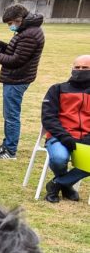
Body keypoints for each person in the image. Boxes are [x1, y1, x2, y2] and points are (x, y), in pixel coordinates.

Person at [0, 4, 46, 159]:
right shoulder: (26, 30)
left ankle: (10, 150)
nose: (10, 27)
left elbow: (16, 60)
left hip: (18, 78)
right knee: (9, 114)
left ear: (19, 20)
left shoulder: (30, 34)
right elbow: (17, 51)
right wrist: (1, 46)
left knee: (11, 115)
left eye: (10, 24)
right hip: (16, 77)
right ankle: (6, 144)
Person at [41, 54, 90, 202]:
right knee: (59, 159)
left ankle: (57, 184)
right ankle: (67, 186)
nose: (80, 70)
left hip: (86, 139)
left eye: (85, 68)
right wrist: (64, 136)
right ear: (72, 68)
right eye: (77, 67)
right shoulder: (57, 89)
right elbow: (48, 117)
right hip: (60, 137)